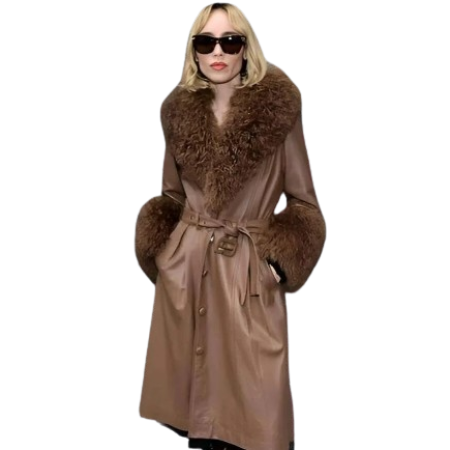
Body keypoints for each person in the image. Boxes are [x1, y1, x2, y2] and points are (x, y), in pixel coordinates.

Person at [134, 3, 326, 450]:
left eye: (230, 41)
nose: (217, 51)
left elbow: (304, 204)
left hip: (247, 277)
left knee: (258, 421)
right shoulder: (177, 111)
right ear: (194, 52)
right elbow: (172, 196)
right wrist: (164, 253)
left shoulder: (278, 110)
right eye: (206, 42)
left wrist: (276, 264)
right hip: (188, 274)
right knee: (199, 418)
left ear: (245, 48)